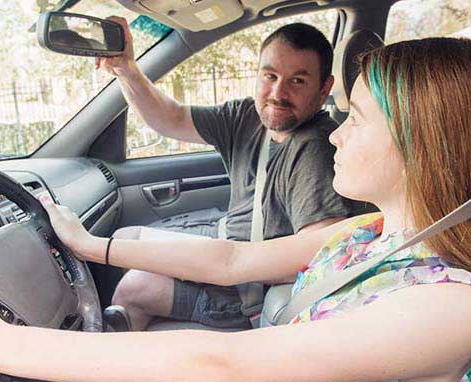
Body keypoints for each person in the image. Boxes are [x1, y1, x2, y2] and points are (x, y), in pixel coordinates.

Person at [0, 38, 471, 382]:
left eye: (354, 119)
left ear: (423, 146)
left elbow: (226, 361)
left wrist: (5, 342)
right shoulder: (373, 231)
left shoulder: (452, 304)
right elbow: (231, 263)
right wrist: (92, 245)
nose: (333, 132)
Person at [100, 19, 358, 331]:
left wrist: (216, 265)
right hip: (225, 244)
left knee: (134, 289)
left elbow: (319, 255)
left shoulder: (315, 149)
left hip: (246, 288)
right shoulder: (247, 117)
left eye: (298, 81)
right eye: (270, 76)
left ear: (324, 88)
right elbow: (172, 119)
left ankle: (119, 375)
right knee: (125, 241)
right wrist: (127, 70)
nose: (278, 93)